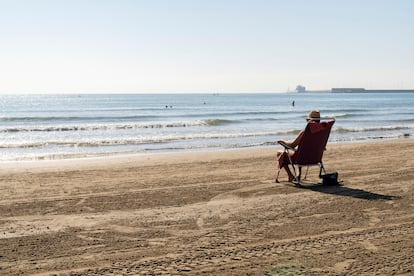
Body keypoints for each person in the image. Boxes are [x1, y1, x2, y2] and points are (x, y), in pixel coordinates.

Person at [277, 110, 321, 182]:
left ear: (309, 120)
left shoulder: (305, 132)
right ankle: (298, 174)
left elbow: (293, 145)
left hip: (301, 159)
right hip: (315, 158)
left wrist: (284, 142)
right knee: (300, 151)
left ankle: (290, 175)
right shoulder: (321, 132)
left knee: (280, 153)